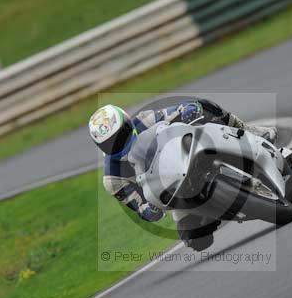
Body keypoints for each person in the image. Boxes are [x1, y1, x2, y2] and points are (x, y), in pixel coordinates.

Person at [88, 98, 277, 251]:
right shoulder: (112, 179)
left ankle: (249, 132)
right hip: (172, 191)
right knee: (197, 240)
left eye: (121, 135)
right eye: (110, 143)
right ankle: (220, 207)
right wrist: (150, 210)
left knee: (205, 106)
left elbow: (178, 110)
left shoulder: (145, 120)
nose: (118, 144)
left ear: (129, 123)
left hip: (188, 154)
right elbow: (141, 209)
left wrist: (188, 111)